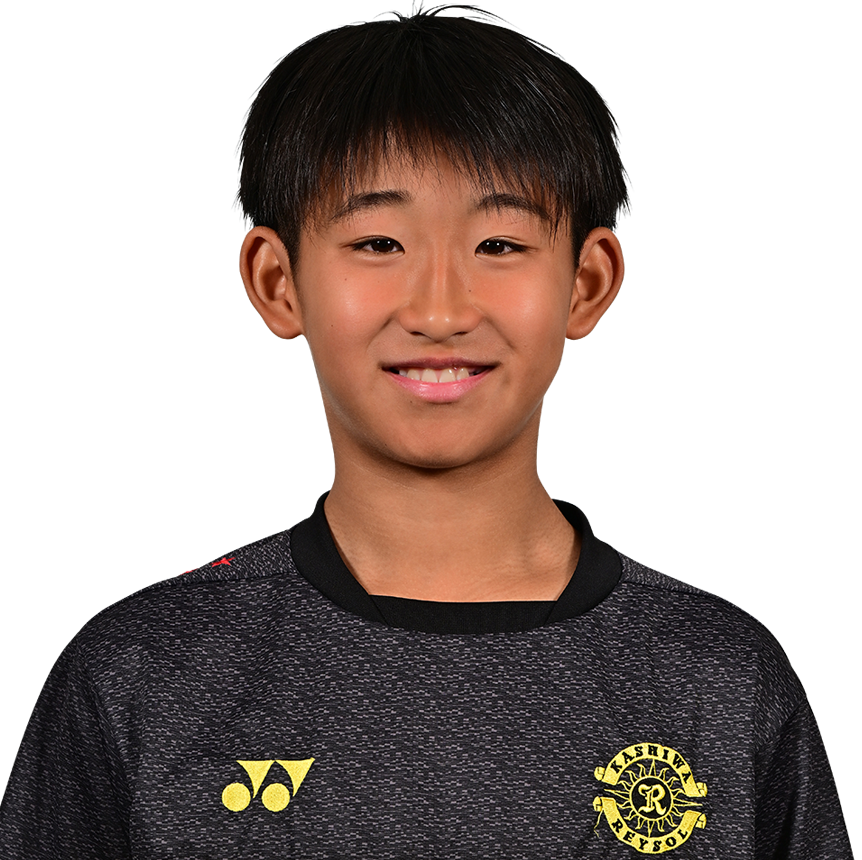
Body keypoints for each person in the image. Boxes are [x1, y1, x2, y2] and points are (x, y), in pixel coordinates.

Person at [0, 6, 851, 857]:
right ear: (278, 281)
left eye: (500, 244)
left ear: (586, 284)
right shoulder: (144, 677)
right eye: (378, 242)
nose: (440, 311)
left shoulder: (719, 681)